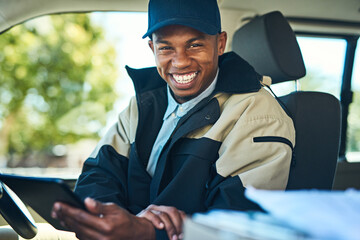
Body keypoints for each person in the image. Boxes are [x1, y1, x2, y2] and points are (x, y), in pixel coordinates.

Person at [51, 0, 295, 239]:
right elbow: (99, 174)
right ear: (152, 49)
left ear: (220, 44)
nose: (180, 61)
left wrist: (149, 231)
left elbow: (239, 225)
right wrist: (106, 218)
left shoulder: (258, 115)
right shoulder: (142, 104)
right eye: (166, 48)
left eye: (194, 45)